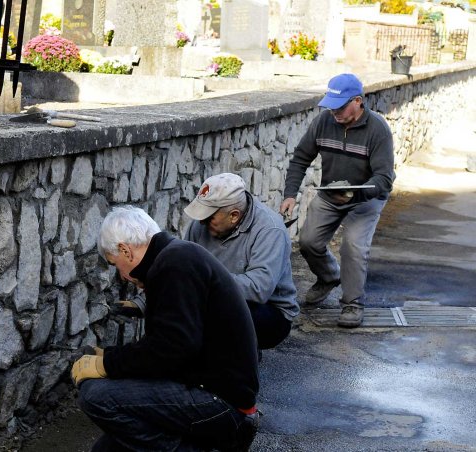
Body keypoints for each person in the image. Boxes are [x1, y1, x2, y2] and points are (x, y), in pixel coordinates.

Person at [72, 206, 260, 451]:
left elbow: (173, 348)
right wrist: (111, 358)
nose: (122, 275)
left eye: (115, 264)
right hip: (214, 391)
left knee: (95, 396)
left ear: (125, 251)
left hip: (224, 405)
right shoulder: (176, 256)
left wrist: (106, 364)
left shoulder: (175, 264)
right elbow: (170, 344)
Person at [279, 73, 395, 328]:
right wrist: (290, 194)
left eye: (340, 106)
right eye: (330, 106)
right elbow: (300, 158)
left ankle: (352, 305)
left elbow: (384, 179)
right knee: (308, 242)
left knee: (352, 246)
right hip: (331, 193)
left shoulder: (378, 130)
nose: (334, 112)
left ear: (357, 101)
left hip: (366, 198)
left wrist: (357, 193)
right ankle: (329, 276)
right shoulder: (323, 122)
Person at [183, 173, 299, 350]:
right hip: (217, 298)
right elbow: (181, 270)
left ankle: (240, 359)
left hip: (268, 311)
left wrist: (206, 281)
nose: (202, 222)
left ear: (234, 216)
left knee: (216, 314)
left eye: (209, 217)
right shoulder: (199, 226)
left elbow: (258, 288)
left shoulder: (270, 230)